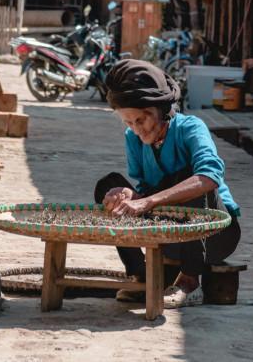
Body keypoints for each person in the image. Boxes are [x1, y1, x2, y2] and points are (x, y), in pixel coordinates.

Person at [94, 59, 241, 308]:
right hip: (169, 237)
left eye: (141, 120)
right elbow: (146, 191)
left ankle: (189, 281)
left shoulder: (191, 128)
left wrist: (147, 201)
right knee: (107, 185)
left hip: (215, 235)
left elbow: (210, 176)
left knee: (194, 181)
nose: (137, 129)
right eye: (129, 122)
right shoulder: (133, 138)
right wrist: (130, 194)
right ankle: (140, 273)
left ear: (160, 111)